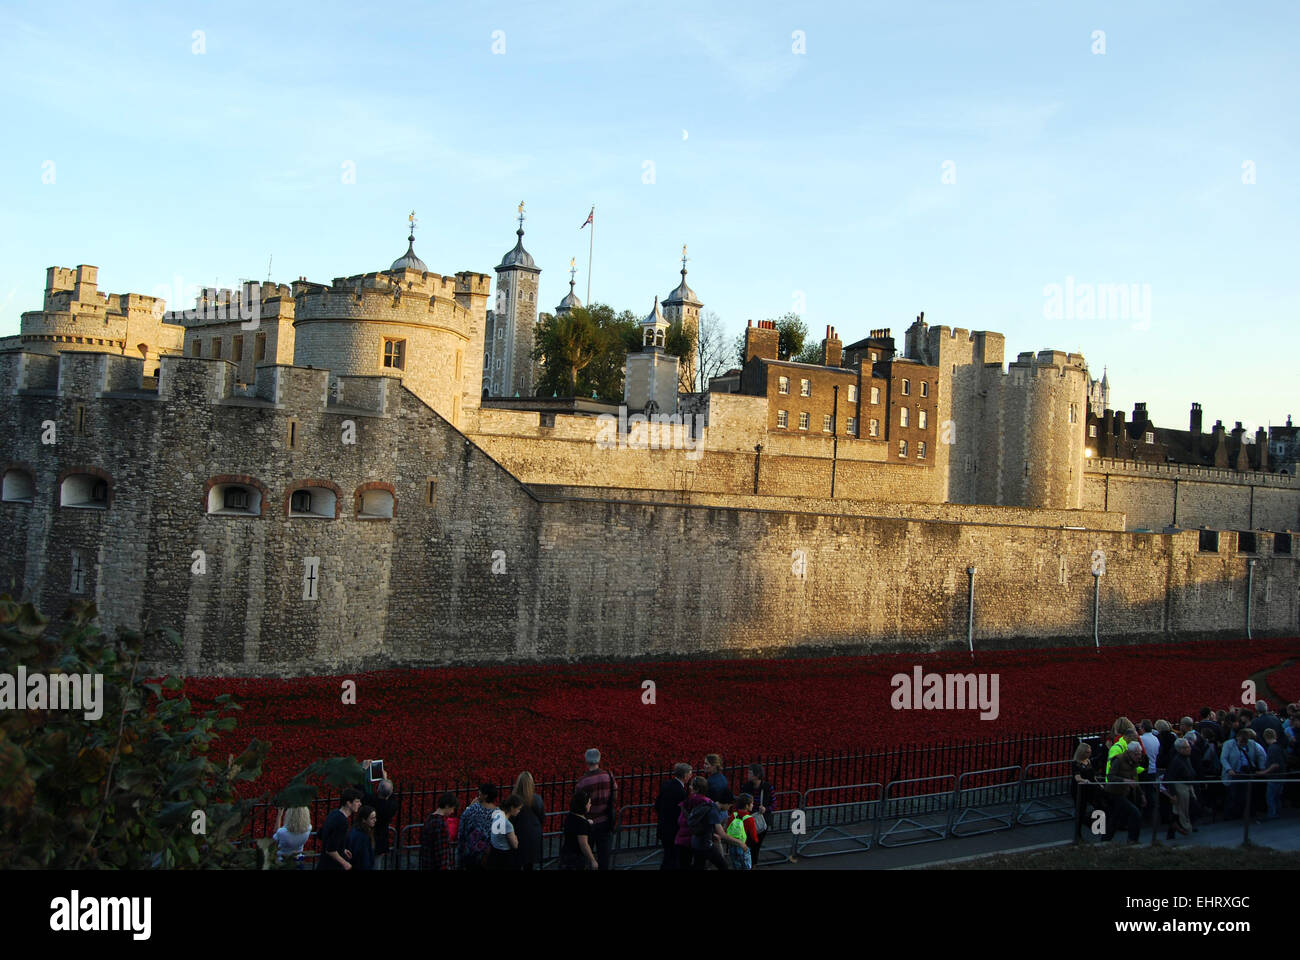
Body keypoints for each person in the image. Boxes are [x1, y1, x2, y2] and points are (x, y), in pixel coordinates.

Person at [576, 749, 617, 870]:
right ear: (599, 760)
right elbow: (614, 796)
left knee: (586, 856)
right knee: (604, 857)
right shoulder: (608, 776)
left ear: (586, 761)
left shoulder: (582, 782)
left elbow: (578, 804)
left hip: (588, 823)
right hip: (605, 821)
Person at [1103, 742, 1147, 843]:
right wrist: (1125, 780)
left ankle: (1105, 839)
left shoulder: (1133, 762)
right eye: (1136, 754)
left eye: (1139, 754)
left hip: (1123, 792)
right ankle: (1132, 839)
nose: (1139, 756)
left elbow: (1134, 778)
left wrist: (1142, 794)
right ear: (1129, 752)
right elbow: (1110, 777)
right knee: (1134, 813)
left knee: (1115, 818)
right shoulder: (1118, 760)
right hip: (1114, 792)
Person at [684, 778, 732, 870]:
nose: (729, 808)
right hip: (705, 844)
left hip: (696, 842)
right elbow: (722, 833)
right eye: (730, 805)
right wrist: (741, 843)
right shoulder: (713, 810)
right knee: (723, 866)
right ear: (726, 803)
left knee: (699, 866)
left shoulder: (707, 805)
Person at [1220, 728, 1266, 820]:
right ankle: (1232, 814)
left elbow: (1262, 754)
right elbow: (1223, 758)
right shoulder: (1228, 744)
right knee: (1233, 795)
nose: (1243, 744)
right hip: (1234, 773)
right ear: (1237, 738)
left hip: (1247, 773)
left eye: (1245, 742)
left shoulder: (1252, 744)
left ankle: (1246, 813)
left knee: (1247, 794)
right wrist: (1229, 769)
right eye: (1241, 742)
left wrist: (1261, 767)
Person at [654, 763, 691, 870]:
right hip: (674, 831)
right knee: (671, 859)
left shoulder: (666, 784)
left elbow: (657, 805)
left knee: (668, 857)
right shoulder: (681, 792)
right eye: (689, 774)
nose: (690, 776)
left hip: (663, 826)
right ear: (684, 776)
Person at [316, 787, 362, 871]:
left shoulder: (334, 813)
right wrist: (345, 863)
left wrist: (342, 849)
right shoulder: (342, 822)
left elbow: (322, 835)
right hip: (332, 866)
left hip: (323, 863)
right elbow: (330, 849)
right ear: (348, 803)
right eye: (357, 801)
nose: (360, 804)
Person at [741, 763, 776, 866]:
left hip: (761, 820)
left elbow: (774, 803)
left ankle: (752, 865)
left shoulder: (767, 787)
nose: (748, 774)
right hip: (748, 819)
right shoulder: (746, 787)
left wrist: (766, 809)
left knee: (756, 846)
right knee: (747, 844)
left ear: (756, 775)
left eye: (750, 772)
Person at [457, 783, 499, 870]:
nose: (478, 796)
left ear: (485, 796)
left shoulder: (472, 810)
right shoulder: (499, 814)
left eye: (479, 794)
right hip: (489, 857)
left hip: (471, 855)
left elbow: (462, 829)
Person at [511, 772, 545, 870]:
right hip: (533, 834)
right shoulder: (537, 799)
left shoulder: (513, 800)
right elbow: (542, 817)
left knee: (516, 863)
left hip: (517, 834)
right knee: (529, 865)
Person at [1163, 738, 1197, 838]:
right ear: (1180, 749)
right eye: (1186, 747)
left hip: (1187, 785)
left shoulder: (1185, 758)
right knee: (1181, 808)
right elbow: (1170, 777)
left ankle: (1175, 826)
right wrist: (1173, 794)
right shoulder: (1176, 761)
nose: (1189, 749)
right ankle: (1176, 826)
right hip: (1181, 787)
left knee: (1182, 808)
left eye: (1189, 747)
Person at [560, 789, 599, 870]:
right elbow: (583, 844)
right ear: (583, 805)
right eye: (589, 803)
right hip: (577, 858)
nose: (590, 805)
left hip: (567, 854)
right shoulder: (582, 823)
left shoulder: (570, 816)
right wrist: (593, 860)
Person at [419, 792, 458, 871]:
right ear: (447, 806)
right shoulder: (441, 824)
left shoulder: (429, 819)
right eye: (452, 808)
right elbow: (442, 853)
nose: (452, 812)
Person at [1071, 742, 1102, 839]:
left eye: (1090, 752)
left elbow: (1093, 776)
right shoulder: (1076, 763)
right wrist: (1085, 780)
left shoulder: (1088, 761)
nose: (1089, 754)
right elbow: (1077, 777)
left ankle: (1097, 827)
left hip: (1089, 788)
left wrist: (1098, 784)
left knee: (1099, 805)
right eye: (1087, 752)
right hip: (1079, 790)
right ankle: (1078, 833)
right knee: (1081, 810)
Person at [487, 793, 523, 870]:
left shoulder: (497, 814)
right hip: (504, 857)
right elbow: (515, 845)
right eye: (519, 809)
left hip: (494, 853)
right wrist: (516, 837)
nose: (519, 811)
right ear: (512, 807)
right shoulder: (508, 824)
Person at [726, 794, 759, 870]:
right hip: (743, 846)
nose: (752, 805)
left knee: (736, 866)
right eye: (751, 803)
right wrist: (756, 840)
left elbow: (728, 828)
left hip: (732, 845)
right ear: (747, 806)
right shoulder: (749, 819)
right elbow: (753, 836)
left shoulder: (733, 815)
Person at [1260, 728, 1286, 819]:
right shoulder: (1279, 746)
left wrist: (1264, 772)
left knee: (1270, 796)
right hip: (1281, 775)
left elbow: (1275, 765)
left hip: (1274, 776)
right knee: (1277, 796)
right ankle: (1277, 811)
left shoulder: (1272, 748)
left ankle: (1272, 814)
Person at [346, 804, 378, 871]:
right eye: (372, 818)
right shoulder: (362, 836)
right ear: (364, 820)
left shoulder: (356, 830)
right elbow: (363, 859)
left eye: (375, 817)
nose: (375, 820)